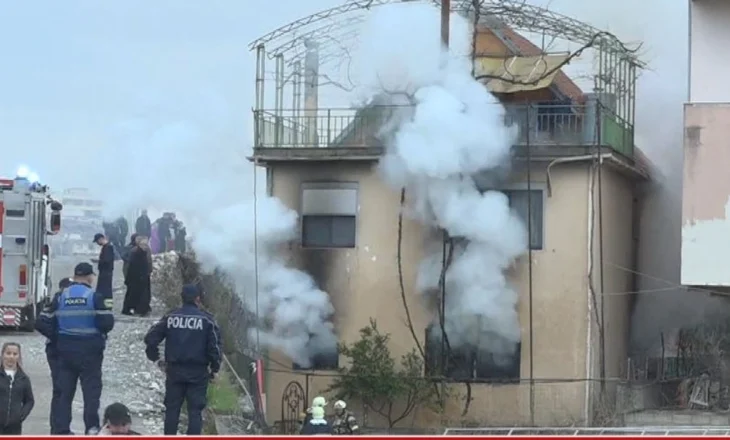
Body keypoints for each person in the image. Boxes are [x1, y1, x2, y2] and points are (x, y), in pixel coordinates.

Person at [36, 262, 115, 435]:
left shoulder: (61, 296)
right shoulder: (95, 296)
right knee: (91, 394)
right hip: (90, 352)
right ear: (89, 277)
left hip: (65, 351)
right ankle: (91, 429)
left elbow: (41, 322)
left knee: (64, 394)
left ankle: (61, 430)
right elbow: (107, 323)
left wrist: (56, 336)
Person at [144, 284, 222, 435]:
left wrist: (156, 359)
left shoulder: (171, 317)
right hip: (198, 372)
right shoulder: (207, 320)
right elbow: (214, 347)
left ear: (182, 298)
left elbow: (151, 338)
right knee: (195, 412)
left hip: (174, 370)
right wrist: (214, 369)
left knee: (172, 410)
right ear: (198, 299)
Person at [41, 277, 73, 434]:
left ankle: (59, 427)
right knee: (61, 389)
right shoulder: (57, 301)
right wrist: (57, 337)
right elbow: (40, 322)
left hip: (60, 350)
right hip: (56, 351)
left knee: (62, 389)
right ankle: (58, 429)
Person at [0, 343, 34, 434]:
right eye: (8, 353)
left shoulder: (23, 379)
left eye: (15, 354)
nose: (11, 356)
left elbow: (30, 401)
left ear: (19, 356)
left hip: (14, 427)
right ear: (2, 355)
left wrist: (21, 416)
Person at [124, 236, 153, 317]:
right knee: (136, 294)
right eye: (143, 244)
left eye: (146, 244)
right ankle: (138, 309)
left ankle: (143, 308)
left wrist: (149, 270)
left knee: (144, 294)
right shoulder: (135, 252)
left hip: (144, 275)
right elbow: (132, 266)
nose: (145, 246)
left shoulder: (146, 251)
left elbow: (149, 262)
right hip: (137, 277)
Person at [93, 233, 116, 300]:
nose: (97, 243)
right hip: (105, 272)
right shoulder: (106, 247)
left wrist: (98, 261)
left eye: (97, 241)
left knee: (105, 290)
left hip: (106, 272)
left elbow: (107, 260)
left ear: (101, 239)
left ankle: (104, 303)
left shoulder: (108, 247)